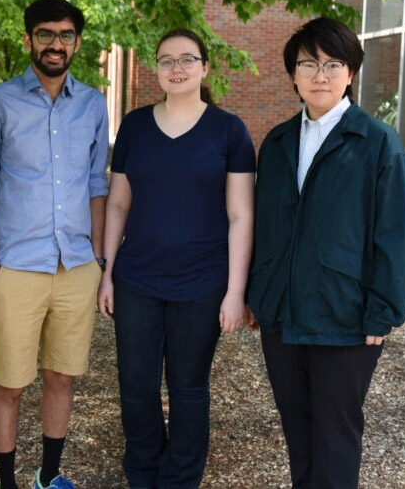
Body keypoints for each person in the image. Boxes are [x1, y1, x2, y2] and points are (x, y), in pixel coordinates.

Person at [246, 17, 405, 488]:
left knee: (335, 434)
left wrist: (381, 313)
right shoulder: (279, 142)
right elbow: (266, 227)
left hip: (345, 317)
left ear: (350, 73)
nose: (320, 75)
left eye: (332, 64)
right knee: (297, 431)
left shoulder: (378, 143)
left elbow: (399, 235)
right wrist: (257, 293)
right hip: (282, 315)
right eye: (309, 64)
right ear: (293, 75)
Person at [97, 28, 256, 489]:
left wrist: (235, 292)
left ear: (205, 68)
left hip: (203, 283)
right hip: (138, 280)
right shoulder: (135, 126)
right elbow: (119, 204)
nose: (177, 68)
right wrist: (107, 274)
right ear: (156, 69)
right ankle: (143, 475)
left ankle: (180, 479)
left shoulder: (229, 130)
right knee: (136, 389)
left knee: (189, 390)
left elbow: (240, 216)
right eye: (167, 60)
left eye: (187, 59)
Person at [0, 0, 108, 489]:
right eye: (46, 34)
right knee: (9, 384)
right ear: (28, 39)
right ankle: (7, 482)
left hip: (76, 266)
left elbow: (97, 184)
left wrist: (97, 258)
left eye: (65, 35)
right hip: (18, 267)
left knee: (62, 377)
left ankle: (48, 477)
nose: (56, 44)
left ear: (77, 43)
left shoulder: (93, 103)